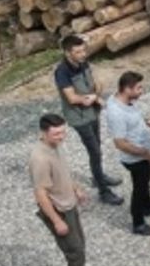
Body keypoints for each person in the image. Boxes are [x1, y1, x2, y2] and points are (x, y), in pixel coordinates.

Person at [28, 114, 110, 266]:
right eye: (56, 133)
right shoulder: (39, 158)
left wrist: (75, 188)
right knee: (74, 250)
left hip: (69, 205)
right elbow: (40, 193)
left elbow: (63, 172)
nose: (61, 136)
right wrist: (56, 220)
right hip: (59, 210)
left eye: (63, 132)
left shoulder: (56, 147)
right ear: (43, 133)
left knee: (79, 245)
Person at [52, 35, 122, 205]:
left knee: (96, 146)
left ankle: (98, 177)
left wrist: (95, 95)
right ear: (68, 53)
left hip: (91, 112)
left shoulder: (83, 64)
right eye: (78, 52)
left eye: (84, 50)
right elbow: (71, 98)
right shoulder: (62, 71)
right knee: (94, 150)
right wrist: (92, 98)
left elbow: (97, 84)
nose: (83, 54)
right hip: (79, 117)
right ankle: (103, 191)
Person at [105, 71, 150, 236]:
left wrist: (146, 122)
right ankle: (138, 223)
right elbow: (120, 143)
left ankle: (147, 207)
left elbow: (133, 121)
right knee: (139, 187)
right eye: (138, 88)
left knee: (145, 182)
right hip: (135, 158)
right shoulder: (116, 113)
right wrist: (145, 153)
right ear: (126, 89)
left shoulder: (126, 101)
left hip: (142, 153)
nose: (141, 91)